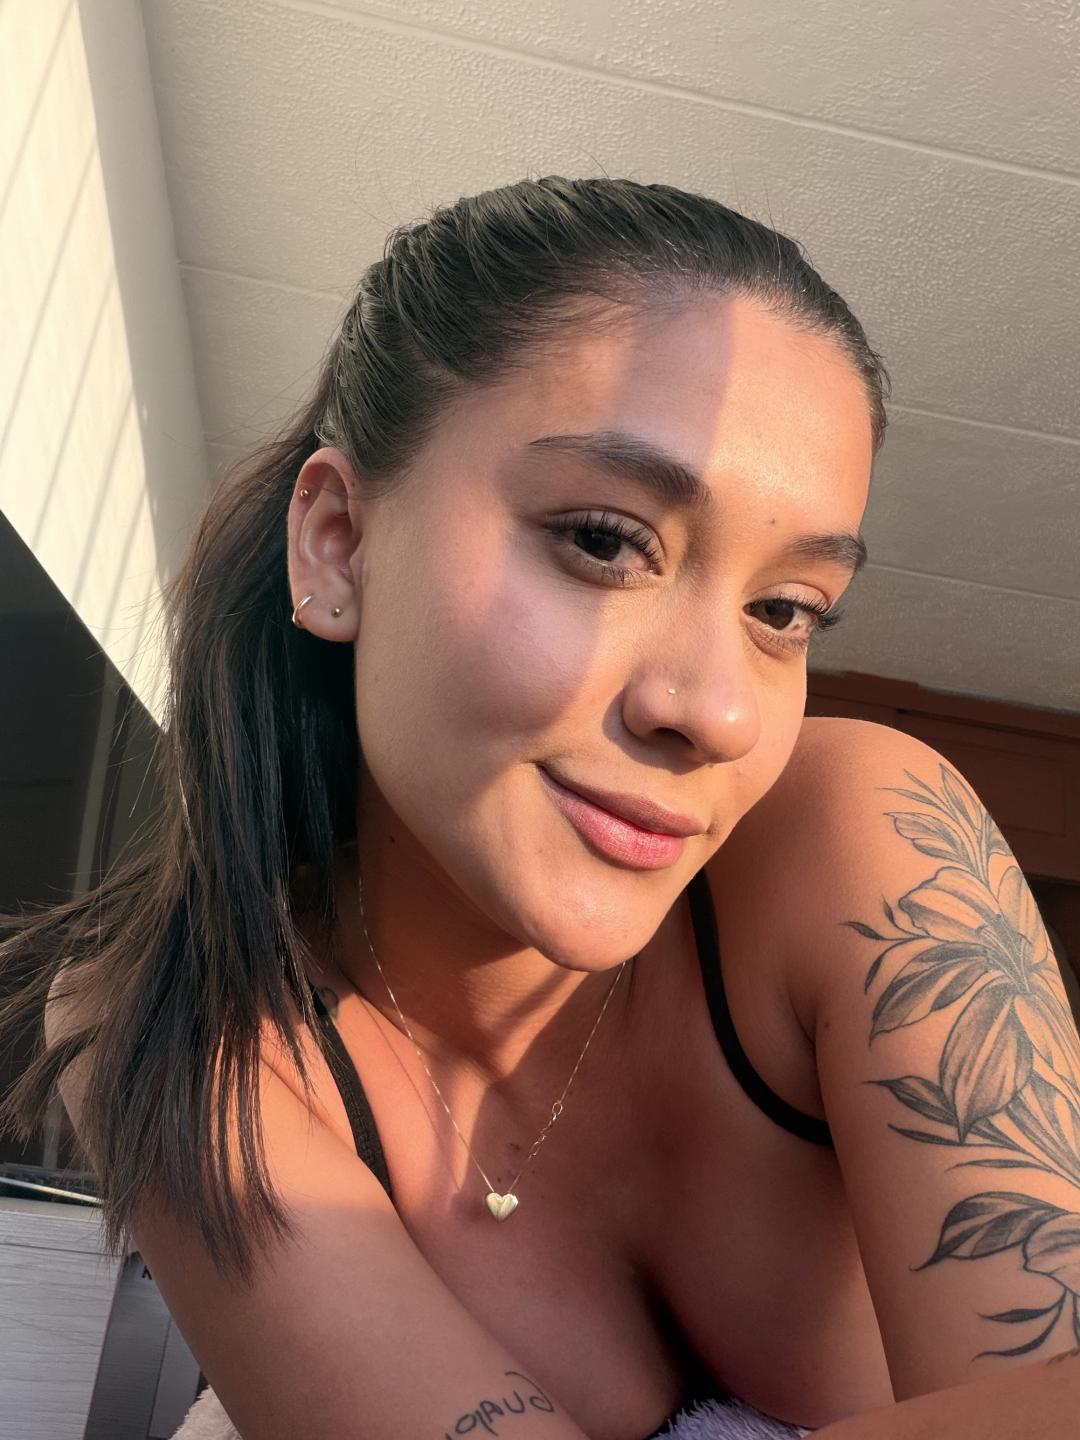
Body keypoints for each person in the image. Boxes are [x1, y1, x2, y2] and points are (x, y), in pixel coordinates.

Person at [2, 177, 1078, 1440]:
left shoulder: (858, 836)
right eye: (606, 541)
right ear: (339, 543)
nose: (718, 712)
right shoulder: (179, 1020)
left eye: (785, 611)